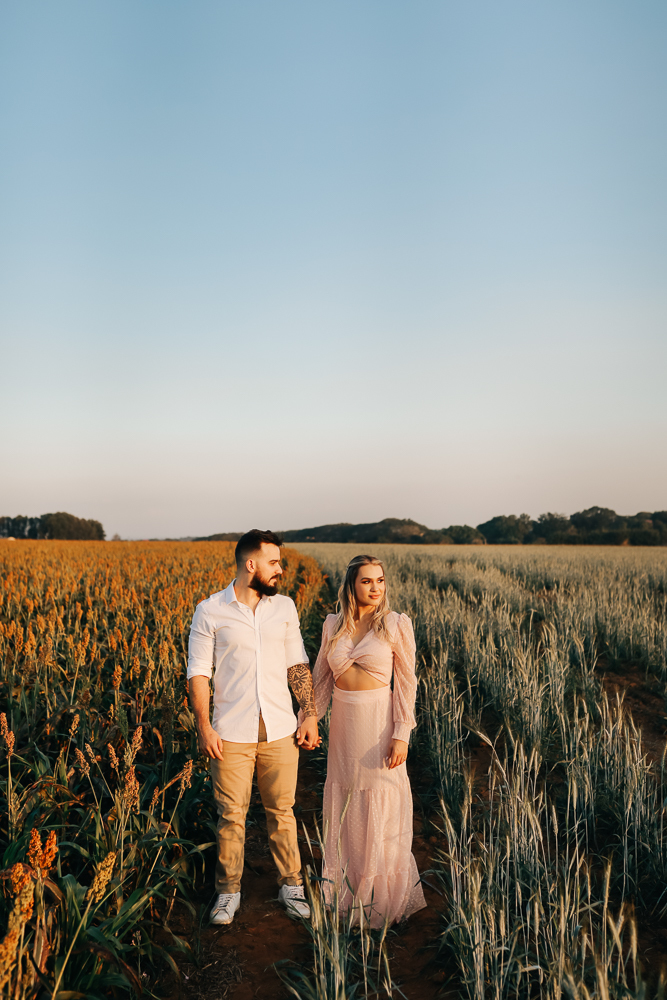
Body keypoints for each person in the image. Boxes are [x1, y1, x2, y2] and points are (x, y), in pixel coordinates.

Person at [188, 529, 320, 926]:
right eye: (274, 562)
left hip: (280, 728)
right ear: (251, 564)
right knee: (231, 815)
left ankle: (291, 885)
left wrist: (309, 713)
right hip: (230, 732)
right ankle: (228, 892)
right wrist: (203, 726)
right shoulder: (210, 610)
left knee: (282, 811)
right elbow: (198, 674)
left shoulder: (285, 609)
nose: (280, 569)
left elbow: (297, 664)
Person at [301, 554, 426, 928]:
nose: (375, 588)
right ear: (351, 585)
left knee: (380, 796)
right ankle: (346, 889)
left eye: (380, 581)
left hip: (378, 722)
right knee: (347, 797)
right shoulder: (333, 625)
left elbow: (406, 682)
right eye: (367, 581)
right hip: (344, 723)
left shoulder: (394, 624)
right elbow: (321, 678)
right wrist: (308, 717)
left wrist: (401, 734)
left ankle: (381, 899)